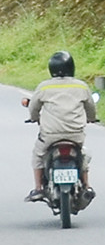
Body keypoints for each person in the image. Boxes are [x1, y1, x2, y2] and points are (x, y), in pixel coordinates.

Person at [24, 51, 97, 203]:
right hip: (75, 134)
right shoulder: (81, 86)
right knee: (82, 155)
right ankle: (87, 185)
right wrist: (91, 118)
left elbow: (33, 108)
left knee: (38, 155)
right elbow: (91, 108)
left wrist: (33, 118)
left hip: (50, 135)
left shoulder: (44, 87)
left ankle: (38, 188)